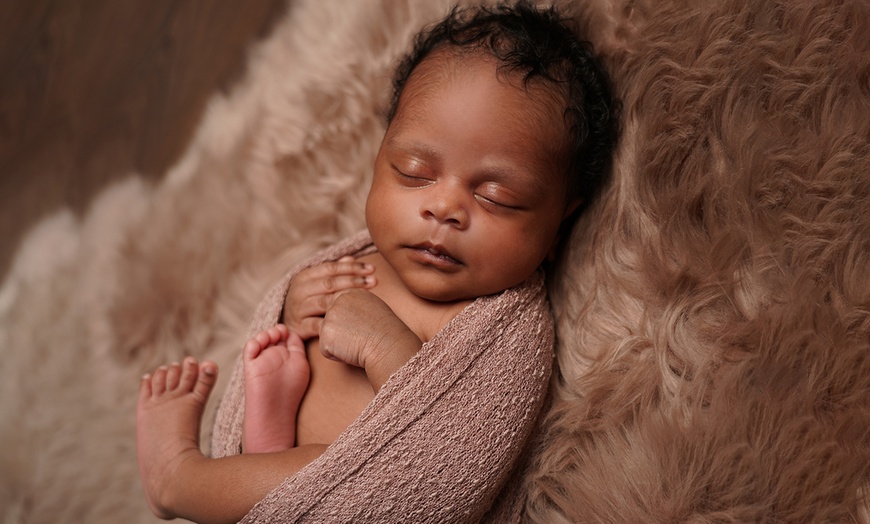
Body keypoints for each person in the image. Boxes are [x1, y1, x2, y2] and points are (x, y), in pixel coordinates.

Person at [135, 2, 618, 522]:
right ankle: (264, 439)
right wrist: (295, 309)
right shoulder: (361, 257)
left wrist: (384, 345)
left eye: (496, 197)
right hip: (269, 472)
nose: (444, 207)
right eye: (414, 172)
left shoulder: (510, 334)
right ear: (380, 158)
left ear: (557, 227)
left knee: (324, 465)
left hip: (352, 493)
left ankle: (181, 478)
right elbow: (293, 308)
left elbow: (451, 453)